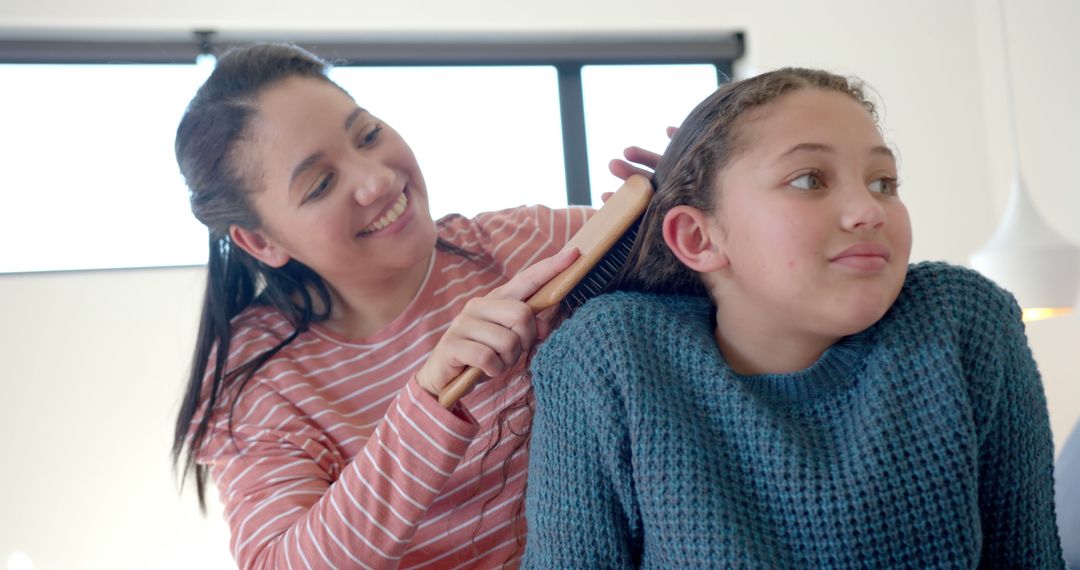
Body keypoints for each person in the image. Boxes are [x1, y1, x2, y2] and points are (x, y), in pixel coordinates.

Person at [522, 68, 1065, 568]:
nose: (870, 209)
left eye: (884, 182)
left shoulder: (961, 323)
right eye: (810, 180)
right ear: (698, 237)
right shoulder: (609, 358)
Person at [170, 42, 654, 569]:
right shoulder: (260, 379)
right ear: (261, 242)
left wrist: (691, 198)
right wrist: (428, 397)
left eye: (368, 135)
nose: (377, 179)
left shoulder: (522, 245)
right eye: (321, 183)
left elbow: (692, 256)